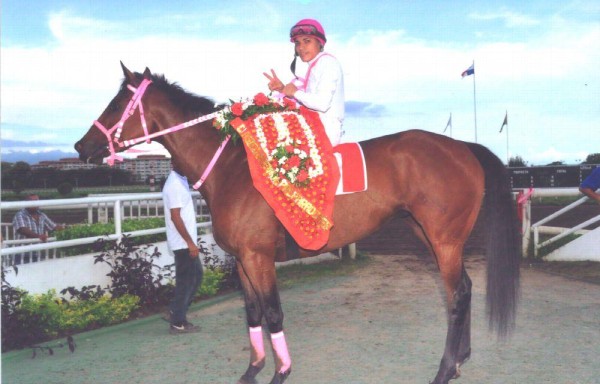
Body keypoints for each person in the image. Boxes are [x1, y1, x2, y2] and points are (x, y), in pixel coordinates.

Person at [264, 18, 345, 147]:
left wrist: (295, 92)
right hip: (313, 127)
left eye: (307, 41)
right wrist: (283, 89)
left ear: (320, 43)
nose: (301, 47)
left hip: (325, 131)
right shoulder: (317, 65)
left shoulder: (327, 63)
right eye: (297, 43)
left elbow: (322, 103)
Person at [162, 168, 203, 334]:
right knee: (185, 283)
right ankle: (178, 322)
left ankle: (175, 311)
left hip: (185, 243)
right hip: (182, 244)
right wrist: (189, 242)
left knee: (196, 278)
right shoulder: (174, 184)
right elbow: (175, 216)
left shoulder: (181, 180)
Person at [12, 193, 65, 264]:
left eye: (37, 201)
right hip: (22, 254)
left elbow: (53, 226)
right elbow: (23, 229)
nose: (35, 203)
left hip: (37, 253)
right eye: (32, 201)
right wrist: (39, 236)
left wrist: (66, 228)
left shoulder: (42, 215)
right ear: (27, 202)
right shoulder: (20, 214)